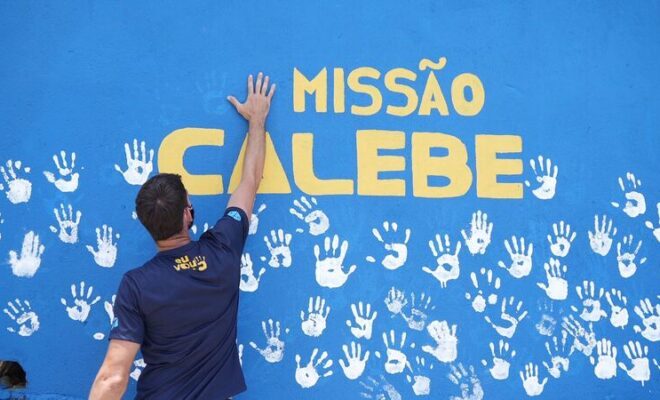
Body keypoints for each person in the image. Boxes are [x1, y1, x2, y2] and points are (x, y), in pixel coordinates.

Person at [89, 72, 275, 399]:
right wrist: (257, 120)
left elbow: (113, 377)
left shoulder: (136, 285)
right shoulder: (223, 249)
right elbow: (250, 180)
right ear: (188, 214)